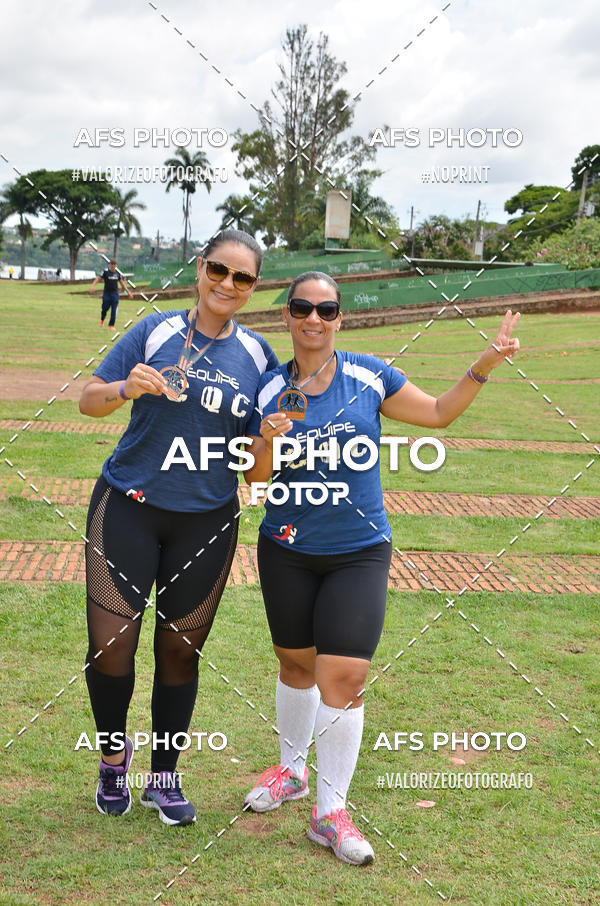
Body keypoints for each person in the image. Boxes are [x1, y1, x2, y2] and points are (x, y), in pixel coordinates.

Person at [243, 271, 520, 865]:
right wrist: (266, 439)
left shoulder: (369, 376)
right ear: (286, 317)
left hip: (358, 551)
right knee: (295, 664)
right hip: (287, 546)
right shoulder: (268, 390)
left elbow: (440, 415)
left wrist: (485, 363)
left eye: (326, 309)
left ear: (340, 318)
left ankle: (330, 812)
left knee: (342, 678)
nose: (313, 319)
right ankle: (290, 772)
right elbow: (256, 481)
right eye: (301, 308)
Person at [79, 229, 278, 825]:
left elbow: (256, 467)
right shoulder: (154, 330)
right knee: (111, 646)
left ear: (252, 287)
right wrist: (123, 387)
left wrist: (266, 443)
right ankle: (114, 761)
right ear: (200, 268)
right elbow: (89, 398)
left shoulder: (260, 356)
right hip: (128, 507)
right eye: (219, 270)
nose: (227, 284)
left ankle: (164, 778)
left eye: (242, 278)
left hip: (207, 522)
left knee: (179, 654)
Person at [89, 259, 133, 328]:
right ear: (110, 265)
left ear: (116, 265)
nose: (113, 266)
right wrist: (92, 286)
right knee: (104, 309)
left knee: (114, 310)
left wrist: (128, 292)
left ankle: (111, 325)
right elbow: (98, 279)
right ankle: (102, 320)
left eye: (114, 264)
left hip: (115, 294)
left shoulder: (117, 274)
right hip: (106, 294)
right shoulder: (105, 272)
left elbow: (122, 284)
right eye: (111, 264)